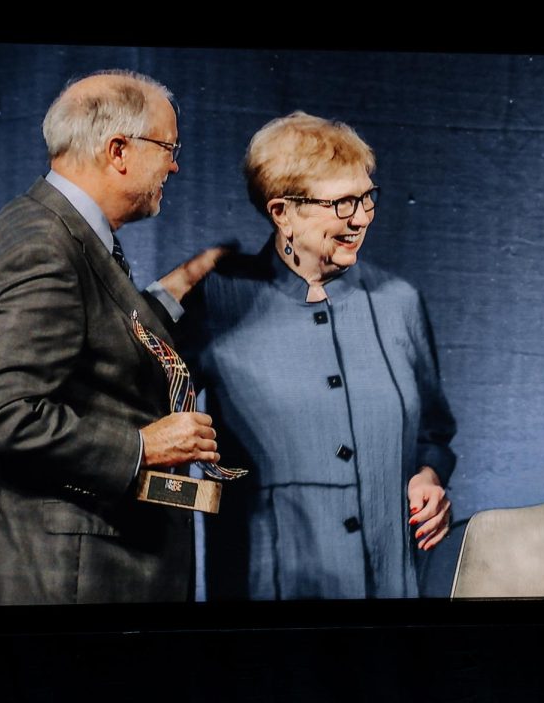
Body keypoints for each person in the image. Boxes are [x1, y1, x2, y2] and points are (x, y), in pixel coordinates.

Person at [0, 70, 224, 605]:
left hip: (71, 575)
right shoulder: (43, 245)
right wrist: (143, 446)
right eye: (168, 146)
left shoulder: (58, 232)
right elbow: (1, 412)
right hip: (59, 584)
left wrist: (173, 291)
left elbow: (96, 349)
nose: (175, 164)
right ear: (119, 150)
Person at [179, 111, 457, 600]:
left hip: (390, 585)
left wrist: (428, 477)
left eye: (367, 196)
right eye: (342, 202)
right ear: (282, 211)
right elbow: (151, 422)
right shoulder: (218, 301)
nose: (362, 217)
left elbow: (434, 432)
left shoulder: (398, 301)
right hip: (269, 591)